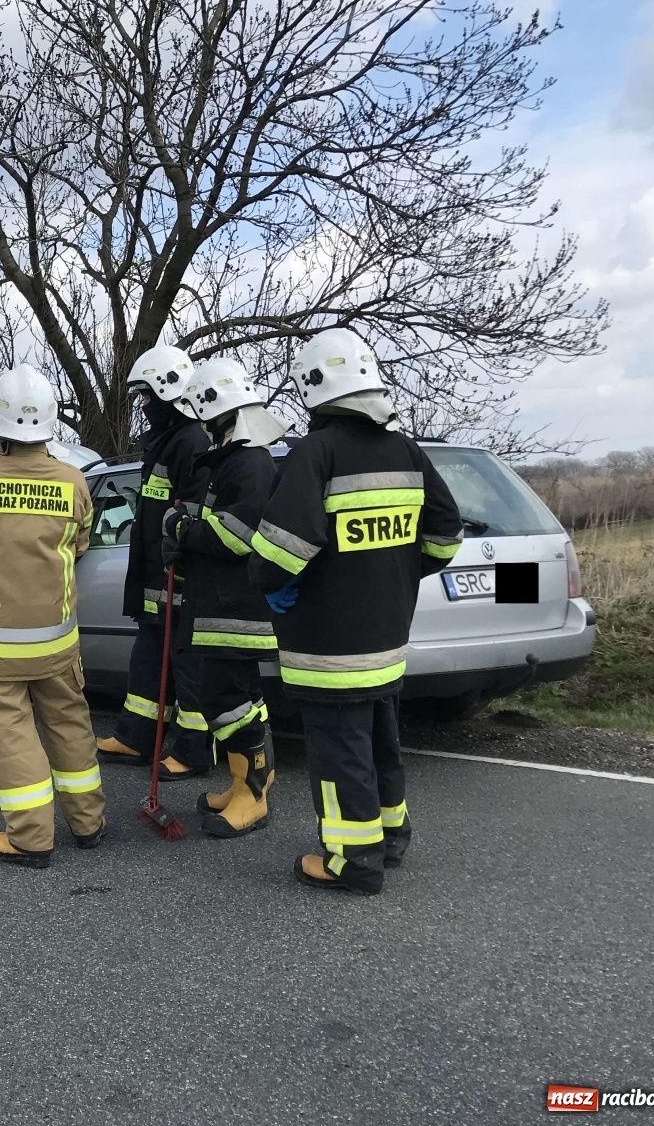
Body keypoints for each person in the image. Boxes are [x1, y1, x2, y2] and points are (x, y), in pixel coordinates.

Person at [247, 330, 463, 894]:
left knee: (340, 750)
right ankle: (390, 838)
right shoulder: (406, 450)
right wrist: (392, 575)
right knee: (379, 740)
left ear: (313, 388)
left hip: (328, 643)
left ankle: (353, 861)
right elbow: (445, 535)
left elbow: (278, 549)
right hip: (386, 637)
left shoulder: (317, 453)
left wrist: (268, 585)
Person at [0, 365, 104, 868]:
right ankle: (88, 822)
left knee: (11, 734)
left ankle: (31, 837)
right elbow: (79, 544)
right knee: (70, 724)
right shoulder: (73, 482)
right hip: (56, 643)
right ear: (49, 422)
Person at [164, 357, 288, 838]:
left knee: (227, 699)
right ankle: (247, 781)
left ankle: (251, 794)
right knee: (239, 698)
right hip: (222, 604)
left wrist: (183, 528)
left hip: (236, 610)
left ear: (220, 412)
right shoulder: (237, 460)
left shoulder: (250, 463)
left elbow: (239, 533)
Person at [95, 345, 213, 779]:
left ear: (168, 393)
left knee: (187, 666)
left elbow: (194, 512)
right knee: (147, 659)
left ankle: (192, 751)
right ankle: (137, 736)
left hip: (178, 578)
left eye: (148, 397)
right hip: (153, 577)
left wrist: (179, 558)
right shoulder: (164, 443)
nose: (144, 406)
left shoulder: (192, 442)